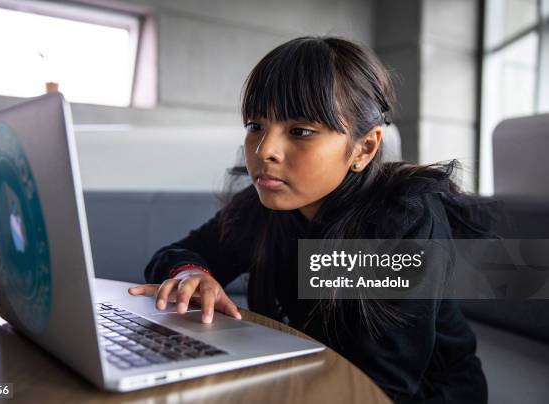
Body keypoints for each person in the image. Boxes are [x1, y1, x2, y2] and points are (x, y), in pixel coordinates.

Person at [128, 36, 495, 403]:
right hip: (313, 372)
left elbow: (381, 384)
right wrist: (192, 275)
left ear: (364, 148)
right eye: (256, 125)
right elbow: (179, 254)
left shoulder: (401, 220)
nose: (264, 150)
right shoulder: (268, 205)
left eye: (300, 131)